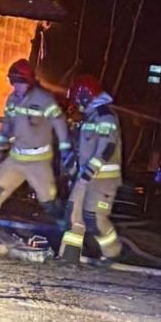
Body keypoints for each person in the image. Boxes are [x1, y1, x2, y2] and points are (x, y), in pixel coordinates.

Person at [0, 59, 71, 243]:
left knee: (49, 204)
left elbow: (60, 123)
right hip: (15, 159)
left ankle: (70, 237)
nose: (15, 87)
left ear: (29, 81)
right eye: (12, 82)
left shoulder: (44, 100)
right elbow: (7, 125)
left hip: (38, 162)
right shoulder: (12, 100)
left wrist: (65, 151)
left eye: (18, 83)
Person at [58, 74, 123, 264]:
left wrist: (87, 173)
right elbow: (81, 148)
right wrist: (71, 166)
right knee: (73, 213)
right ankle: (69, 257)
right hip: (85, 176)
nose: (77, 103)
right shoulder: (89, 117)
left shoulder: (105, 116)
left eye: (78, 98)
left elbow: (107, 148)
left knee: (93, 218)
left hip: (103, 179)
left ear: (85, 96)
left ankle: (113, 253)